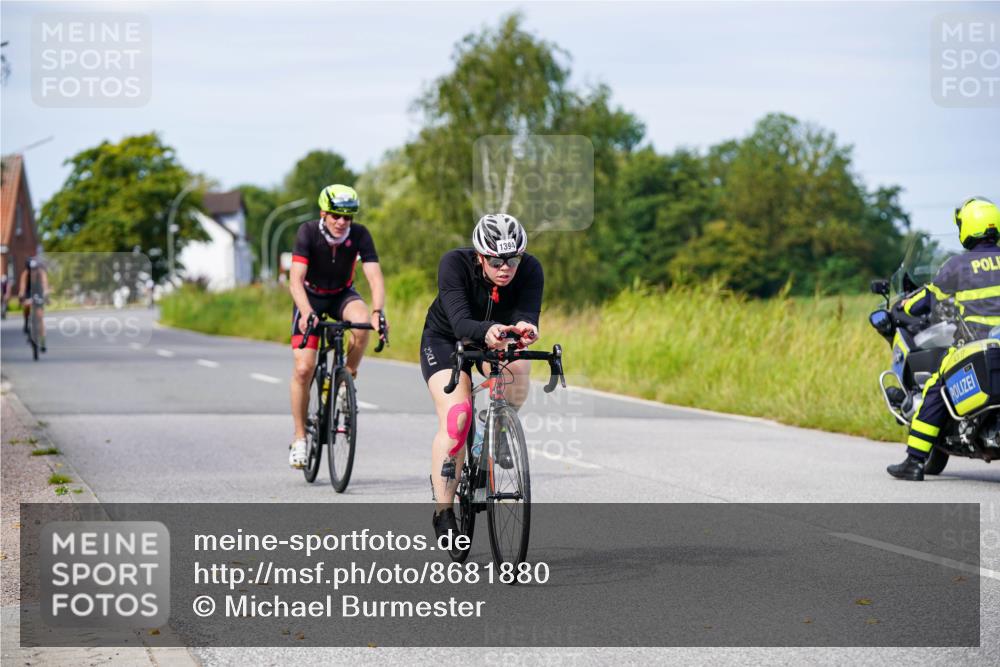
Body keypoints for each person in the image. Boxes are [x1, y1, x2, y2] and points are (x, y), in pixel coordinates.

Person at [420, 213, 543, 538]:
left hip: (497, 335)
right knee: (458, 416)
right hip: (447, 339)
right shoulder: (454, 264)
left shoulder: (530, 270)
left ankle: (496, 429)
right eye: (496, 260)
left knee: (518, 369)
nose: (505, 268)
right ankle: (444, 511)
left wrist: (527, 328)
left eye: (512, 259)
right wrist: (489, 330)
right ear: (480, 255)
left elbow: (526, 314)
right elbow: (460, 322)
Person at [888, 196, 1000, 480]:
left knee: (935, 388)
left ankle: (914, 462)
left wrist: (903, 307)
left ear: (968, 228)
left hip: (976, 347)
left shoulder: (958, 266)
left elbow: (928, 299)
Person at [287, 184, 387, 469]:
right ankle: (299, 438)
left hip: (342, 293)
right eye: (336, 216)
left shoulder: (359, 234)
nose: (343, 222)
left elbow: (374, 277)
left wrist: (378, 311)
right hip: (310, 296)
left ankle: (346, 379)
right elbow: (295, 280)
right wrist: (306, 311)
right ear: (324, 213)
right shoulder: (307, 232)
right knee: (304, 368)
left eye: (348, 217)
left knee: (363, 323)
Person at [18, 257, 48, 352]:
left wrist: (46, 294)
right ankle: (26, 322)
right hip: (29, 291)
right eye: (31, 270)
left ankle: (43, 341)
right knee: (26, 305)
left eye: (34, 269)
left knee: (40, 316)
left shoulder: (41, 273)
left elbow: (45, 284)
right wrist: (21, 295)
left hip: (39, 291)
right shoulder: (25, 274)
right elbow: (22, 288)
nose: (33, 272)